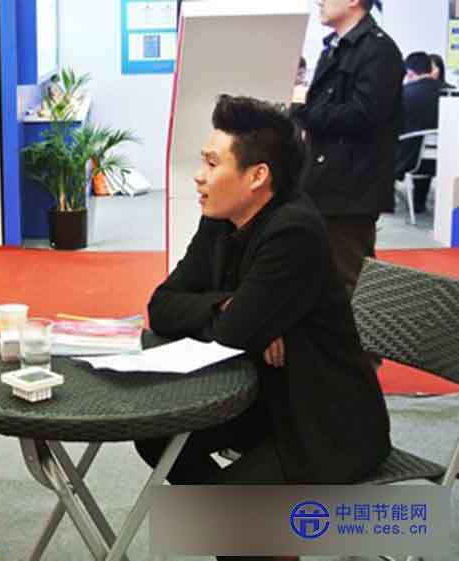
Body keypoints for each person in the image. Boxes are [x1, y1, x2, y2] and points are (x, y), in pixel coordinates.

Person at [136, 95, 391, 561]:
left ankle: (259, 537)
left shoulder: (294, 231)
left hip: (321, 423)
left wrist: (242, 319)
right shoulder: (222, 218)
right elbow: (162, 305)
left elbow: (230, 335)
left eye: (212, 163)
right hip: (261, 399)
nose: (199, 176)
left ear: (257, 176)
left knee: (230, 520)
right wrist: (231, 304)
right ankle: (266, 540)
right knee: (155, 436)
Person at [291, 0, 404, 298]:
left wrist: (303, 107)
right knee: (318, 276)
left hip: (350, 188)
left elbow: (363, 115)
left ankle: (358, 331)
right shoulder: (335, 48)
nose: (320, 2)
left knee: (347, 280)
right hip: (322, 180)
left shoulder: (379, 51)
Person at [395, 51, 442, 214]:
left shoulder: (403, 93)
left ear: (409, 73)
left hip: (408, 159)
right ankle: (419, 202)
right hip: (445, 159)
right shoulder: (451, 94)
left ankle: (384, 201)